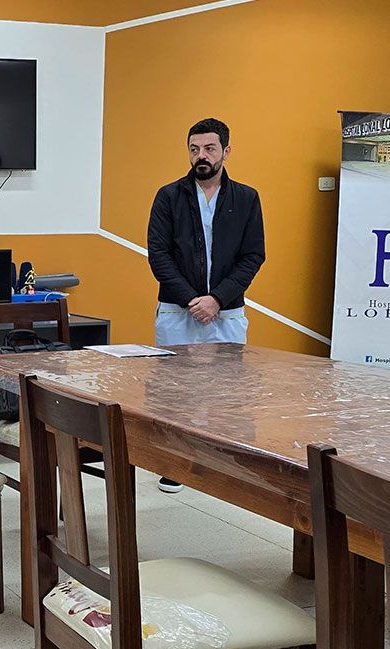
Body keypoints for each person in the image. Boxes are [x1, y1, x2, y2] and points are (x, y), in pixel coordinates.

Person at [146, 117, 266, 493]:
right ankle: (175, 465)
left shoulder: (246, 198)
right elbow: (158, 255)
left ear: (226, 152)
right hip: (177, 310)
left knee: (226, 390)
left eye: (209, 148)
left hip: (226, 311)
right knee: (174, 390)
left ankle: (220, 464)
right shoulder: (169, 196)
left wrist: (217, 299)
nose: (201, 156)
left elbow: (253, 255)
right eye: (194, 149)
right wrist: (192, 299)